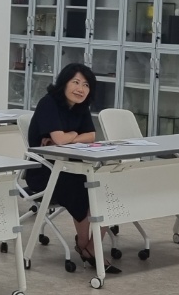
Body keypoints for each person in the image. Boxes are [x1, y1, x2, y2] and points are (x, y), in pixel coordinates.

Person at [24, 63, 114, 273]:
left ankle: (92, 246)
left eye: (86, 85)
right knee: (80, 186)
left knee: (107, 187)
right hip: (44, 171)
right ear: (64, 83)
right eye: (76, 82)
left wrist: (69, 137)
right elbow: (59, 139)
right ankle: (84, 245)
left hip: (72, 166)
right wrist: (73, 136)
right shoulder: (49, 103)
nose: (81, 89)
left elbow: (91, 136)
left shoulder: (81, 107)